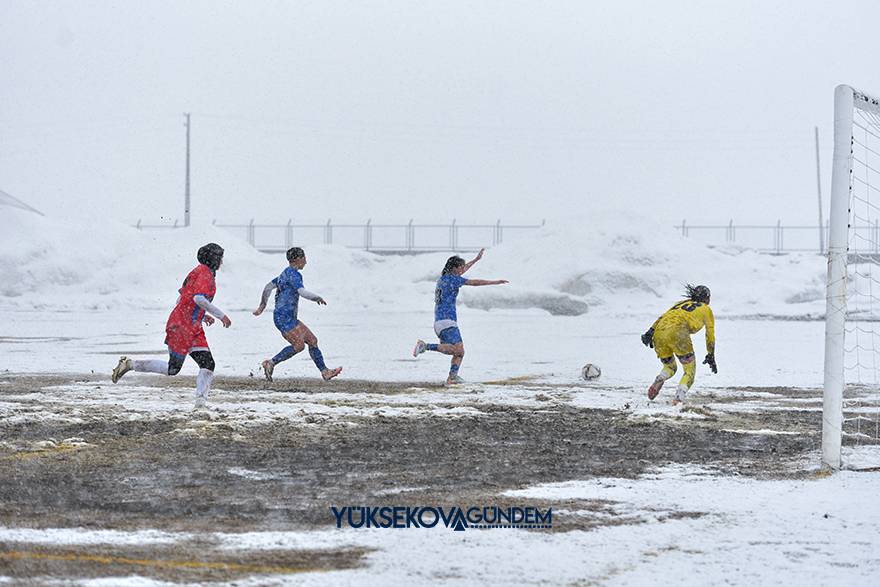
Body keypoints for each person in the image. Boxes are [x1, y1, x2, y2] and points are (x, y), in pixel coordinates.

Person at [111, 243, 232, 409]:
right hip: (182, 327)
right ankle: (130, 364)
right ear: (214, 258)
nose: (222, 262)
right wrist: (221, 316)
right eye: (220, 257)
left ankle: (200, 404)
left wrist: (203, 316)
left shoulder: (198, 271)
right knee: (173, 369)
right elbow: (198, 299)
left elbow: (182, 299)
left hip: (192, 327)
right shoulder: (205, 273)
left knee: (208, 364)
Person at [412, 248, 508, 384]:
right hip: (447, 321)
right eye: (461, 267)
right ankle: (425, 346)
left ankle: (452, 377)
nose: (463, 269)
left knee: (458, 352)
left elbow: (462, 271)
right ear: (454, 268)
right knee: (458, 350)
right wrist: (494, 282)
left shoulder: (443, 279)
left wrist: (475, 260)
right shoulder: (452, 279)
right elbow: (474, 283)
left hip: (440, 322)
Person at [253, 247, 342, 382]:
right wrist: (316, 298)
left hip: (288, 317)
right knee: (299, 346)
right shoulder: (294, 275)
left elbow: (268, 287)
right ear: (298, 259)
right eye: (304, 258)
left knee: (312, 340)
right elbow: (301, 291)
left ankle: (325, 372)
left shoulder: (285, 274)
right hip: (283, 318)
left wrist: (262, 306)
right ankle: (270, 363)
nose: (306, 261)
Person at [641, 284, 716, 405]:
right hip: (678, 332)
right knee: (689, 372)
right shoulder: (706, 309)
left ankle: (660, 379)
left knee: (670, 367)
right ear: (706, 298)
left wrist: (650, 332)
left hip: (659, 333)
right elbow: (710, 335)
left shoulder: (679, 304)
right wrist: (711, 355)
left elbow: (662, 317)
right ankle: (678, 399)